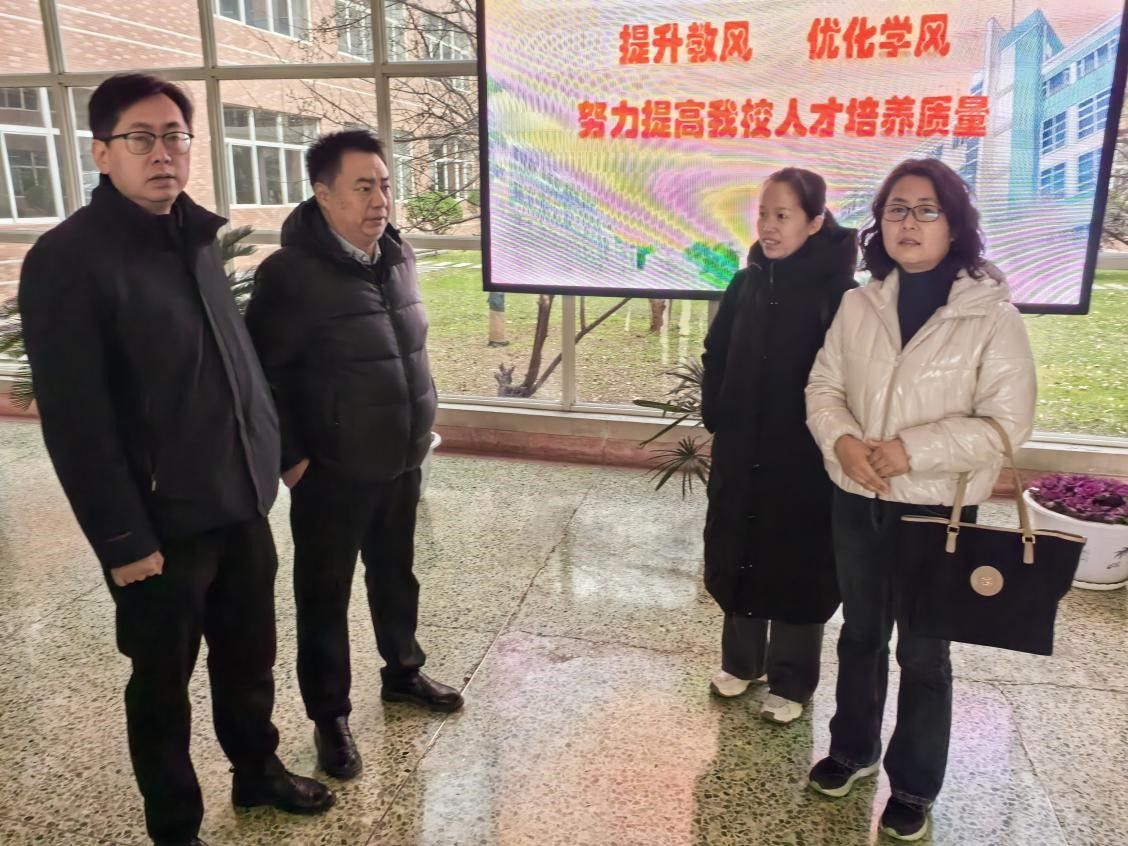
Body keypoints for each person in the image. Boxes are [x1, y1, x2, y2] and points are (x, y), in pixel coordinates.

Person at [17, 74, 334, 846]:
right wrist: (123, 539)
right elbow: (77, 420)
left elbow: (234, 364)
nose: (163, 153)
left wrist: (276, 453)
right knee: (163, 682)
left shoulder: (193, 237)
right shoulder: (69, 259)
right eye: (141, 138)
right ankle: (175, 825)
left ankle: (256, 772)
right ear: (102, 152)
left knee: (249, 657)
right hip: (160, 523)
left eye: (176, 136)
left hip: (238, 499)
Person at [804, 158, 1036, 841]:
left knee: (925, 653)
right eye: (896, 209)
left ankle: (914, 783)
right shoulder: (859, 304)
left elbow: (1007, 424)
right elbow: (823, 388)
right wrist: (844, 442)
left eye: (926, 209)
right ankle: (852, 749)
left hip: (941, 509)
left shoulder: (992, 317)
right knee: (861, 634)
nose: (909, 222)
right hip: (859, 495)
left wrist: (913, 449)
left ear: (954, 224)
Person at [245, 130, 463, 783]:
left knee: (396, 575)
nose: (380, 200)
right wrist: (293, 461)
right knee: (325, 595)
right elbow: (262, 377)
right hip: (331, 471)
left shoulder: (396, 254)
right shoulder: (289, 275)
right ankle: (330, 716)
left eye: (385, 185)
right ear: (323, 193)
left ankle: (403, 671)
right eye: (363, 187)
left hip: (400, 455)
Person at [700, 168, 857, 724]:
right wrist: (718, 414)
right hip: (743, 445)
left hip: (805, 456)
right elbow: (716, 352)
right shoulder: (745, 284)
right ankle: (742, 662)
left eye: (782, 215)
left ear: (814, 222)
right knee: (739, 545)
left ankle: (792, 681)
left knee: (798, 560)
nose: (768, 226)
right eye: (763, 214)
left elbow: (851, 378)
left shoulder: (840, 295)